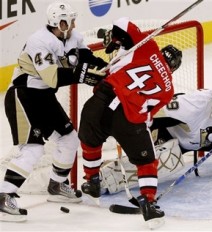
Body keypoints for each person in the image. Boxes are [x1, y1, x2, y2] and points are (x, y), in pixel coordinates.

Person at [0, 1, 108, 222]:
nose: (74, 23)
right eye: (70, 20)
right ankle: (4, 196)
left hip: (44, 97)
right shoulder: (39, 41)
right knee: (33, 149)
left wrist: (108, 66)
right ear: (60, 22)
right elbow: (53, 77)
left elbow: (87, 59)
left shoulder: (73, 37)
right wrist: (83, 75)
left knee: (69, 140)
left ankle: (56, 185)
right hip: (24, 96)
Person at [78, 17, 182, 229]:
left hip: (100, 101)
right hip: (128, 117)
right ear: (174, 69)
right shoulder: (168, 88)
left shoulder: (147, 46)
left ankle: (92, 180)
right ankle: (149, 203)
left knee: (91, 140)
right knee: (146, 161)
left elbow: (123, 23)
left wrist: (115, 39)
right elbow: (149, 116)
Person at [99, 80, 212, 194]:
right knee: (162, 159)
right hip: (177, 136)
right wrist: (131, 129)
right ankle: (108, 176)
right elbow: (155, 115)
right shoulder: (194, 103)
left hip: (206, 141)